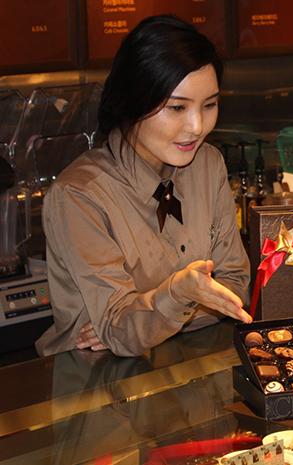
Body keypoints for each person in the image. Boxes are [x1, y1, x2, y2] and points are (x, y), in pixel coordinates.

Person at [36, 15, 252, 357]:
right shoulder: (79, 194)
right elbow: (119, 331)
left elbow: (236, 287)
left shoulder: (207, 165)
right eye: (177, 107)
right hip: (95, 378)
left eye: (209, 105)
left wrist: (146, 323)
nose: (197, 126)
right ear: (132, 100)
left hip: (182, 370)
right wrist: (178, 296)